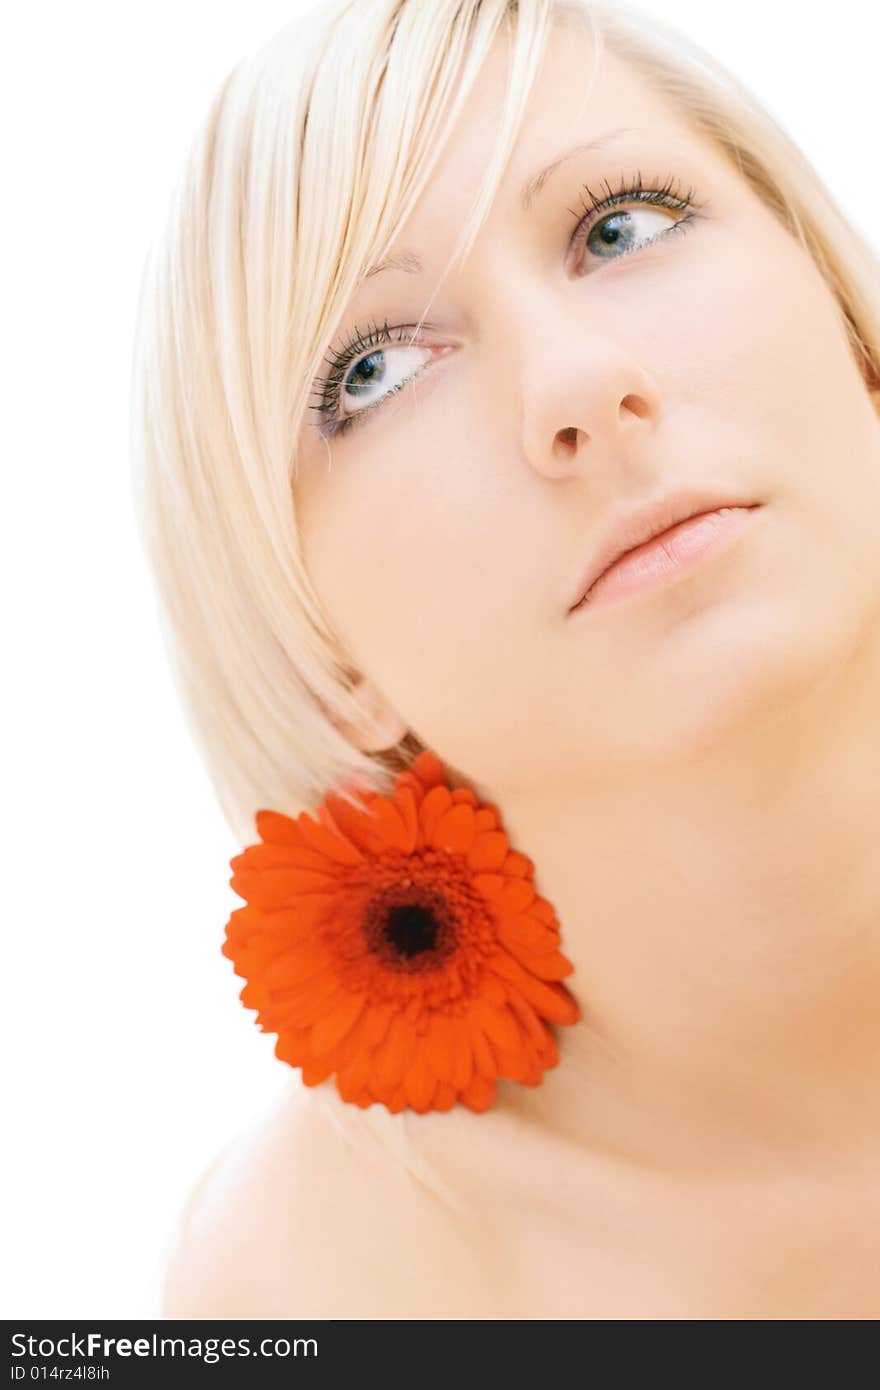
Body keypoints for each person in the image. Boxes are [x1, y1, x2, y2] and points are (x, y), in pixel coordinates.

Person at [130, 0, 880, 1319]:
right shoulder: (311, 1286)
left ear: (850, 330)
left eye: (620, 224)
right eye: (376, 366)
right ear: (322, 655)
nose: (577, 385)